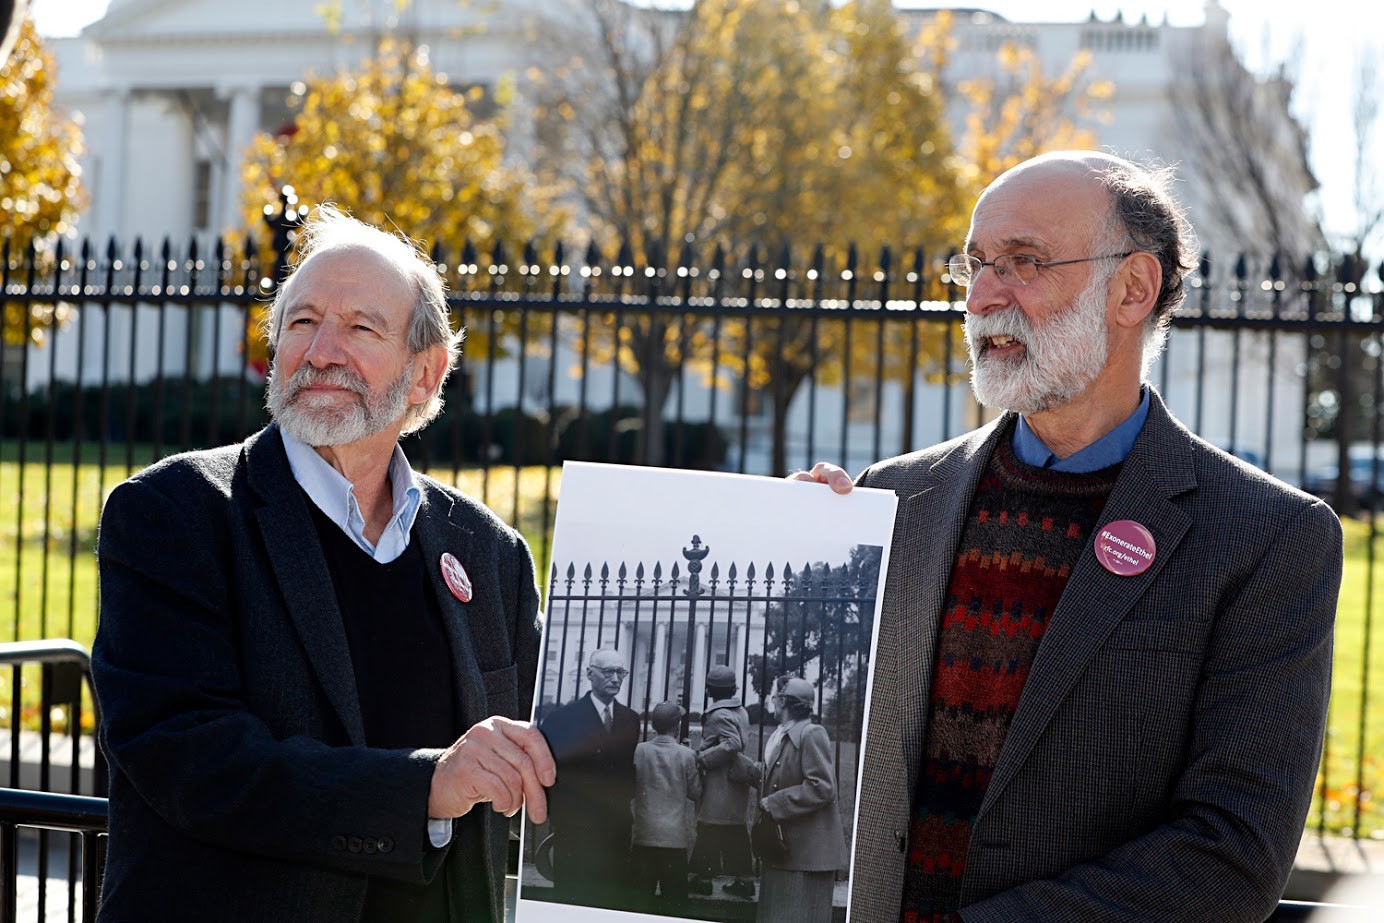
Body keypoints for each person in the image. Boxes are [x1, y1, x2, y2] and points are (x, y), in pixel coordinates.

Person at [796, 151, 1343, 922]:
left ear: (1133, 288)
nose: (984, 297)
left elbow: (1229, 856)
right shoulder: (890, 498)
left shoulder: (1268, 538)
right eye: (976, 264)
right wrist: (788, 562)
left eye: (1025, 262)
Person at [91, 205, 555, 923]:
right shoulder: (175, 513)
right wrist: (425, 784)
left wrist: (763, 532)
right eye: (301, 323)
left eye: (360, 328)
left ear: (426, 373)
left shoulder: (489, 552)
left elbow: (575, 737)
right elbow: (194, 759)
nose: (320, 350)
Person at [537, 648, 641, 908]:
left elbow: (626, 768)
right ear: (589, 674)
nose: (615, 678)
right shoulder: (562, 719)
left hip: (615, 828)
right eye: (608, 672)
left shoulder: (630, 719)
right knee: (573, 899)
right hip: (576, 829)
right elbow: (548, 774)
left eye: (621, 672)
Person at [754, 677, 847, 923]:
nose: (773, 702)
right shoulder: (783, 734)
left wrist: (774, 803)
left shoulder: (810, 733)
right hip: (787, 851)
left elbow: (822, 787)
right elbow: (779, 774)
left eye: (776, 698)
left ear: (784, 701)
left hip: (805, 857)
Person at [689, 663, 757, 900]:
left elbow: (732, 744)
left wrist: (703, 758)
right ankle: (744, 881)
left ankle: (704, 880)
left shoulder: (719, 714)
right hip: (734, 779)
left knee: (710, 827)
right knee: (734, 829)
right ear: (734, 688)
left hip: (720, 779)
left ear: (709, 690)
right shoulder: (741, 711)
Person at [631, 701, 703, 915]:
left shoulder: (639, 751)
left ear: (654, 726)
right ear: (677, 726)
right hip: (673, 838)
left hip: (643, 834)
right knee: (675, 905)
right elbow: (696, 792)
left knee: (639, 904)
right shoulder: (686, 754)